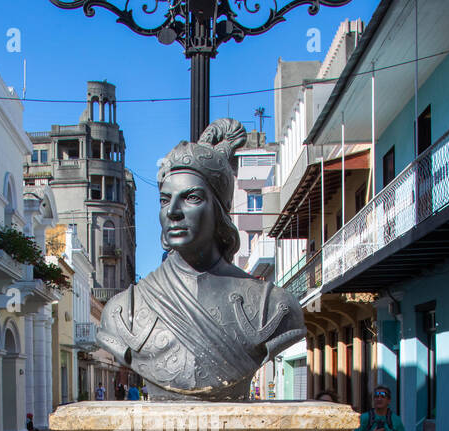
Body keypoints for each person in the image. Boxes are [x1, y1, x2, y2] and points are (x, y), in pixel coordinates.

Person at [95, 118, 303, 401]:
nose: (173, 212)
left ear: (218, 210)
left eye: (191, 197)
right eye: (165, 200)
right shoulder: (124, 312)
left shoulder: (273, 308)